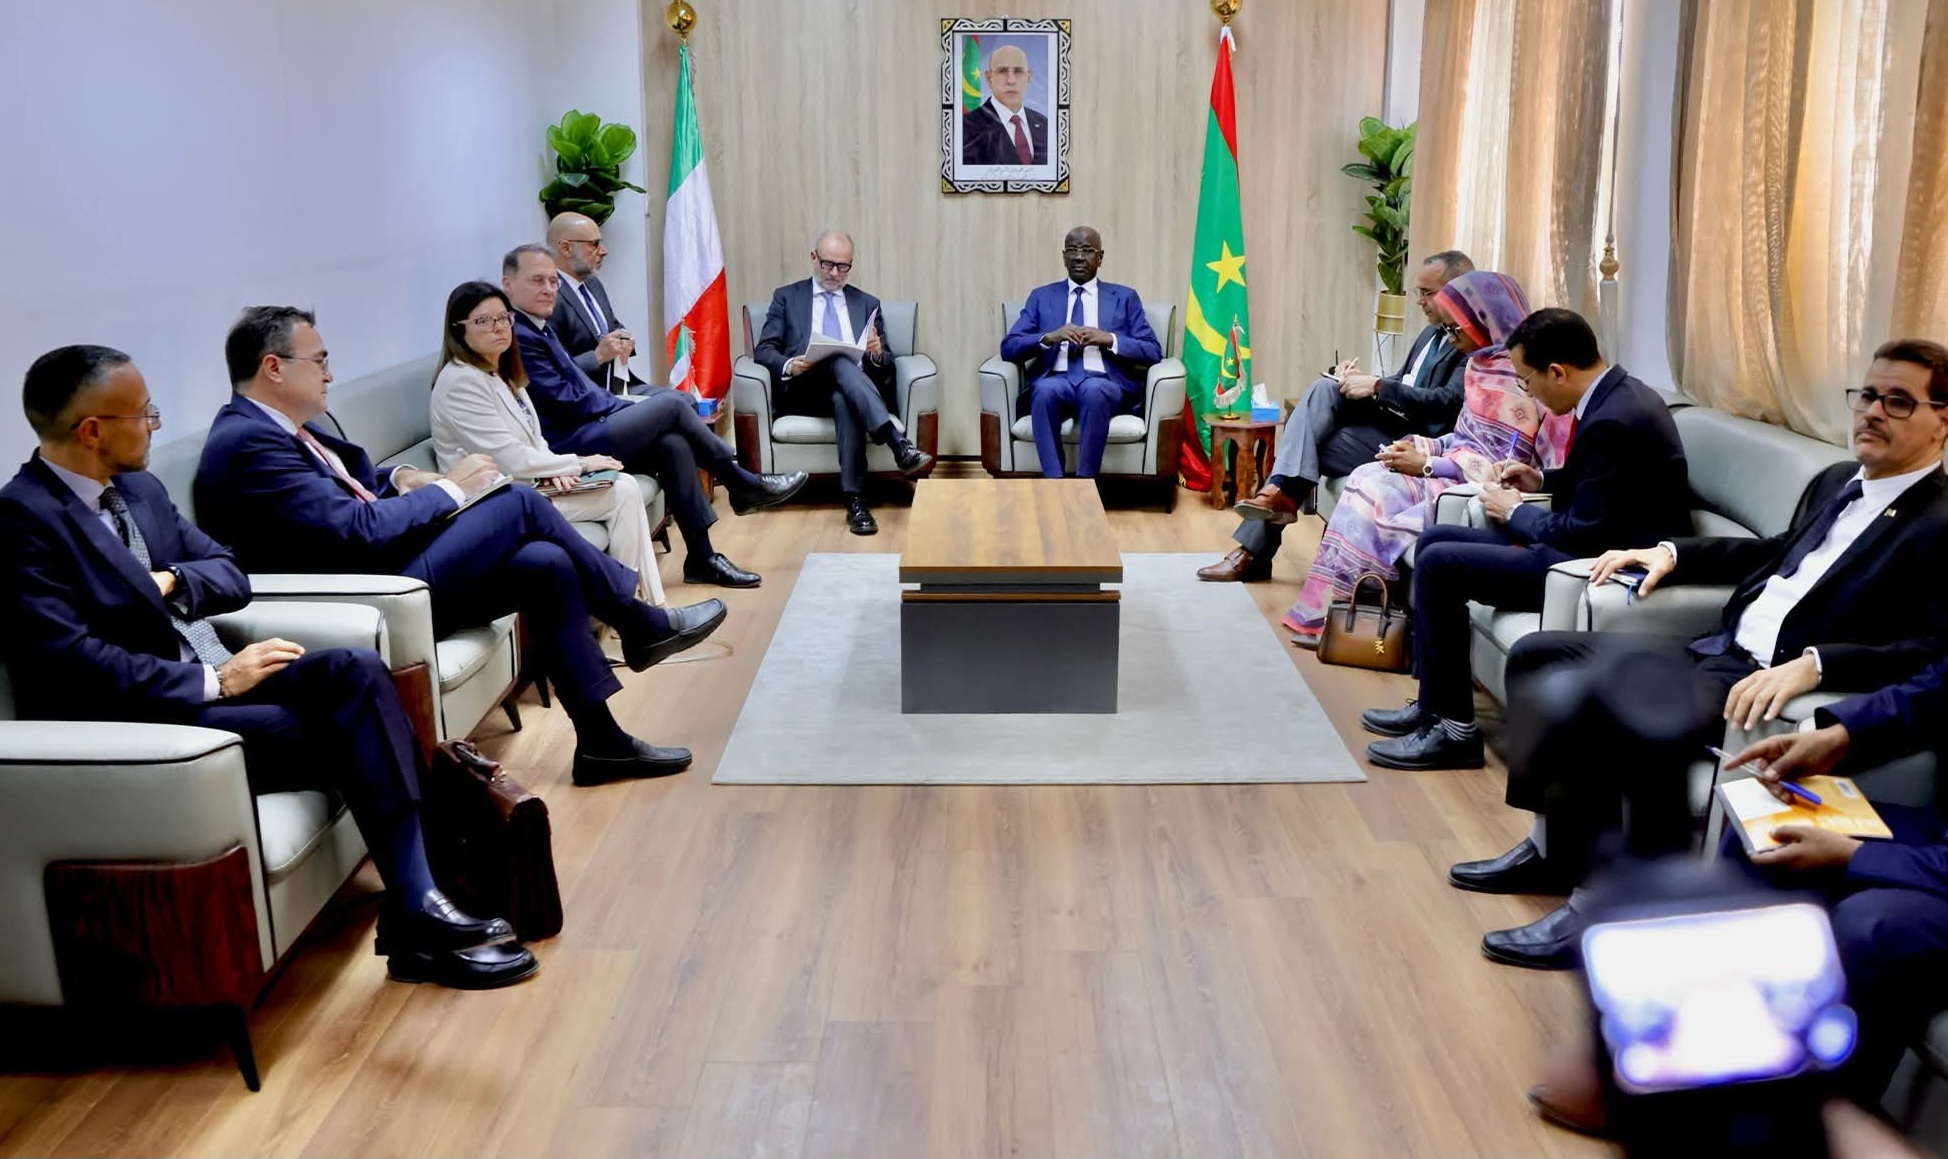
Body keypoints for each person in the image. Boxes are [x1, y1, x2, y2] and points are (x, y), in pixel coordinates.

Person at [0, 344, 537, 989]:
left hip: (222, 675)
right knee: (363, 731)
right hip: (151, 718)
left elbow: (229, 572)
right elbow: (68, 662)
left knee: (356, 671)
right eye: (144, 414)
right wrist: (212, 680)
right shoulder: (23, 520)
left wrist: (173, 582)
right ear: (92, 431)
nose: (154, 425)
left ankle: (418, 903)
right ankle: (421, 910)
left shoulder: (139, 490)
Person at [1451, 338, 1948, 970]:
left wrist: (1818, 662)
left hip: (1765, 678)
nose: (1873, 411)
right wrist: (1671, 552)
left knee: (1618, 708)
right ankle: (1553, 850)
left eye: (1899, 401)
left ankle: (1604, 909)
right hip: (1721, 647)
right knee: (1539, 657)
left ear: (1942, 421)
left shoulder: (1938, 522)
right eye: (1868, 395)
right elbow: (1773, 552)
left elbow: (1930, 650)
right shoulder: (1840, 484)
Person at [193, 306, 723, 788]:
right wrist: (451, 488)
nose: (329, 374)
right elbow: (357, 529)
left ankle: (602, 743)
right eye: (320, 360)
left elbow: (349, 487)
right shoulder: (247, 443)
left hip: (387, 567)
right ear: (274, 367)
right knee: (518, 502)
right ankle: (639, 622)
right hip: (368, 598)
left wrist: (404, 476)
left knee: (544, 564)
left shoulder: (278, 429)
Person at [1360, 307, 1691, 771]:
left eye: (1526, 380)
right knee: (1435, 539)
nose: (1527, 391)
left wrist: (1515, 512)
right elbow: (1599, 487)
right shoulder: (1616, 396)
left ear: (1557, 372)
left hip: (1596, 567)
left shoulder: (1616, 418)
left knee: (1439, 565)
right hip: (1586, 543)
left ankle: (1455, 733)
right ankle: (1434, 707)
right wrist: (1541, 480)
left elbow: (1583, 534)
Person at [1274, 272, 1571, 645]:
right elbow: (1463, 437)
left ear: (1484, 321)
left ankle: (1357, 621)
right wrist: (1419, 447)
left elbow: (1502, 465)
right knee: (1366, 473)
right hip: (1449, 464)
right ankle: (1336, 613)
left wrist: (1428, 465)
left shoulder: (1523, 380)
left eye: (1456, 328)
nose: (1451, 338)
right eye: (1447, 329)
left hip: (1472, 483)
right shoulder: (1479, 366)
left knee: (1377, 491)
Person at [504, 245, 805, 588]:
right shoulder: (520, 335)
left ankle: (702, 557)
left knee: (673, 443)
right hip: (569, 440)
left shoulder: (538, 327)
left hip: (588, 423)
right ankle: (740, 481)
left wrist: (621, 404)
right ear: (508, 285)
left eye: (552, 281)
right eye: (537, 281)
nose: (548, 289)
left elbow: (578, 388)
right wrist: (623, 406)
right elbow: (566, 401)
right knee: (672, 406)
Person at [1199, 250, 1475, 582]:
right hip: (1390, 425)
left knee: (1307, 447)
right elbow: (1404, 381)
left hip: (1418, 444)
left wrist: (1377, 387)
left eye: (1427, 293)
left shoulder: (1472, 343)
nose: (1419, 301)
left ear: (1457, 291)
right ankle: (1274, 503)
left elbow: (1447, 402)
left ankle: (1258, 542)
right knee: (1324, 389)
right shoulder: (1430, 334)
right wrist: (1360, 379)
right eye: (1419, 291)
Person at [429, 280, 665, 604]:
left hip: (529, 484)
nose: (499, 327)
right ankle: (637, 607)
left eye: (504, 318)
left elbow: (534, 439)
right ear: (459, 329)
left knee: (624, 486)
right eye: (484, 321)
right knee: (623, 491)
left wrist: (556, 469)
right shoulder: (460, 381)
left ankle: (640, 606)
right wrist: (578, 463)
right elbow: (508, 458)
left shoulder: (500, 371)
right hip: (494, 502)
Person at [750, 230, 935, 536]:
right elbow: (764, 350)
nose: (835, 273)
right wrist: (791, 365)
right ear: (813, 258)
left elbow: (887, 364)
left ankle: (857, 503)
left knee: (843, 396)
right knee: (836, 359)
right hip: (805, 391)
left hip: (853, 393)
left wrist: (877, 353)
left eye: (843, 266)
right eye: (828, 264)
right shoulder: (787, 297)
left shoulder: (867, 303)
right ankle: (896, 443)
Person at [999, 225, 1162, 479]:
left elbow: (1153, 350)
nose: (1078, 257)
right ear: (1064, 256)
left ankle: (1084, 485)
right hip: (1057, 380)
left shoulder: (1124, 297)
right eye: (1072, 250)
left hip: (1105, 383)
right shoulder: (1041, 297)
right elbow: (1009, 347)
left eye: (1087, 250)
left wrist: (1109, 339)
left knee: (1093, 390)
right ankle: (1055, 484)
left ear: (1100, 257)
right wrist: (1049, 337)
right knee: (1044, 391)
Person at [544, 211, 642, 393]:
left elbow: (613, 326)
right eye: (594, 244)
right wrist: (598, 356)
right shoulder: (549, 296)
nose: (604, 251)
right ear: (566, 248)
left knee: (684, 399)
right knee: (675, 403)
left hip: (618, 385)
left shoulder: (593, 283)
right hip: (584, 394)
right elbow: (554, 371)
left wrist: (624, 339)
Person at [961, 44, 1047, 166]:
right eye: (1002, 71)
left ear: (1028, 78)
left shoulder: (1045, 125)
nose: (1011, 80)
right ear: (989, 78)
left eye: (1018, 71)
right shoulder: (965, 128)